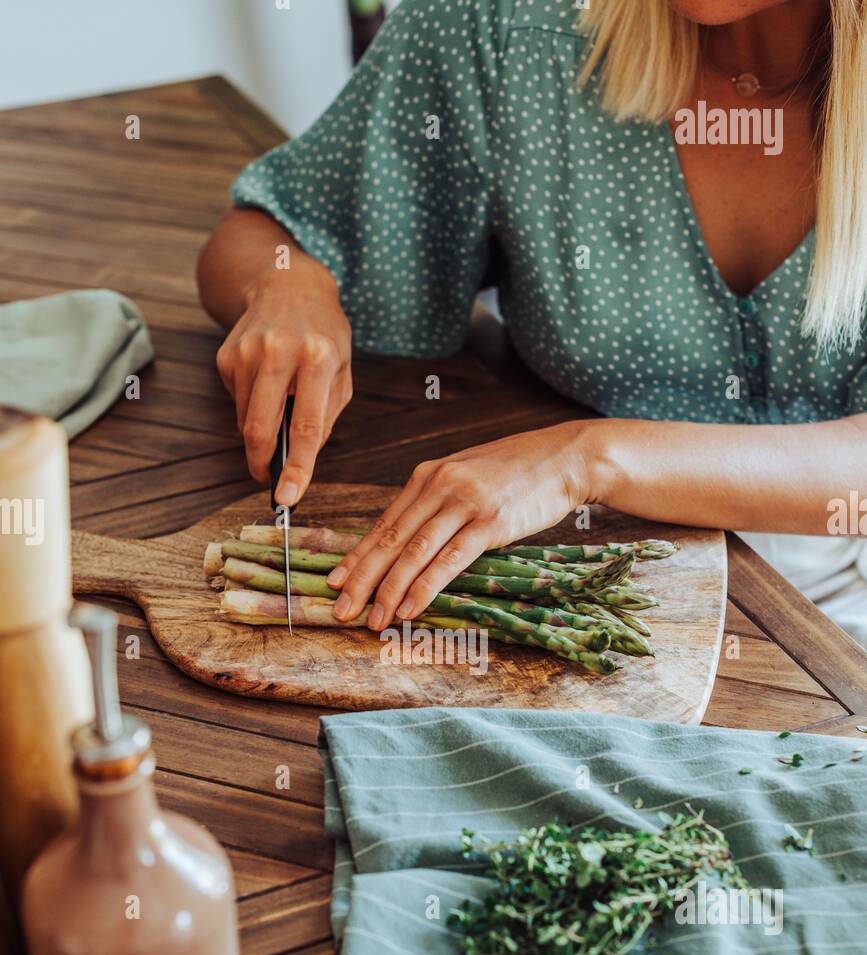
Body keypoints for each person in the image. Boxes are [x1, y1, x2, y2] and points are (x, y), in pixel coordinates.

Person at [197, 0, 867, 644]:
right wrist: (289, 282)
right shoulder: (495, 25)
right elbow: (264, 231)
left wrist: (586, 459)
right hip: (551, 577)